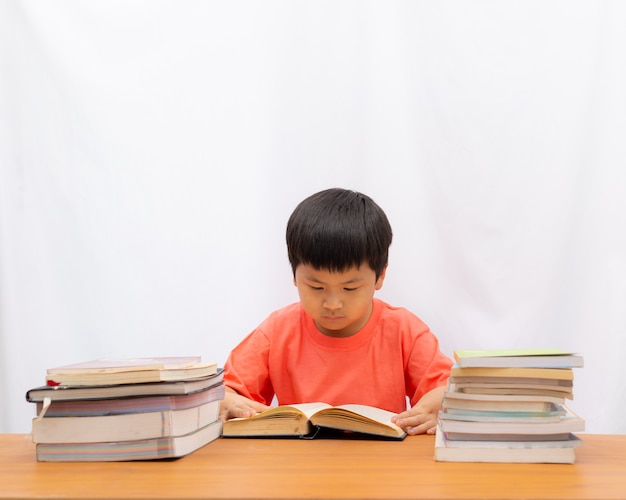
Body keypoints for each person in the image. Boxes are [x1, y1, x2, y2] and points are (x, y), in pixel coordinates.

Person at [220, 188, 452, 435]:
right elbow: (226, 390)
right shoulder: (277, 330)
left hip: (381, 465)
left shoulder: (404, 330)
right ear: (294, 276)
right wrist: (227, 400)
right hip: (296, 466)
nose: (332, 303)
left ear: (380, 276)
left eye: (350, 288)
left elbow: (449, 388)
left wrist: (441, 402)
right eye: (316, 287)